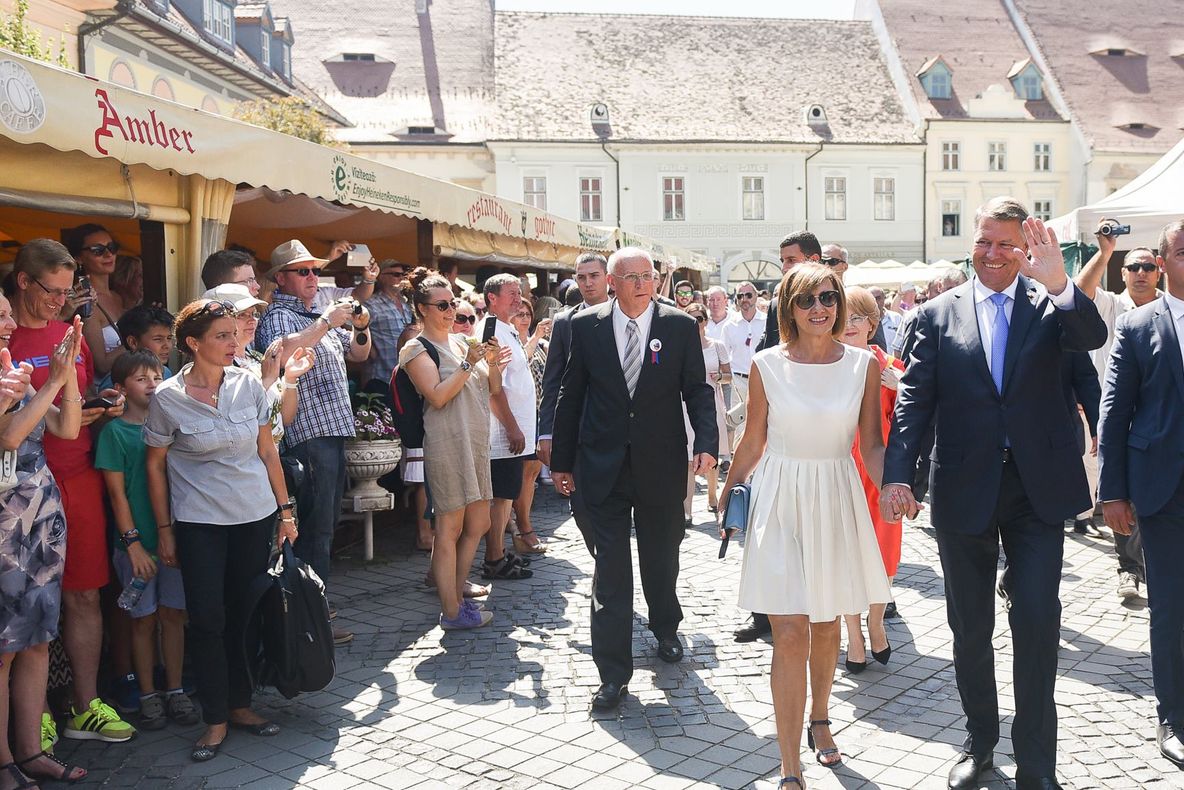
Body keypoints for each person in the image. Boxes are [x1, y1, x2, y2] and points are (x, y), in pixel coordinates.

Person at [882, 199, 1106, 790]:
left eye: (1007, 244)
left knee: (1036, 619)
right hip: (963, 487)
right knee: (970, 626)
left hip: (1037, 490)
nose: (993, 254)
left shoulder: (1051, 304)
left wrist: (1059, 281)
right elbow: (913, 402)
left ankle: (1037, 763)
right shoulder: (934, 314)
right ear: (972, 243)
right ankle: (979, 741)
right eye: (985, 241)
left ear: (1025, 249)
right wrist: (898, 474)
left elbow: (1093, 334)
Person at [720, 264, 891, 787]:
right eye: (807, 300)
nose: (820, 307)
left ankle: (821, 716)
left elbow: (871, 443)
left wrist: (893, 489)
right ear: (788, 309)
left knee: (824, 625)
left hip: (836, 493)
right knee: (788, 630)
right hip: (779, 496)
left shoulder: (862, 364)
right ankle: (788, 763)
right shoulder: (766, 363)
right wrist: (727, 492)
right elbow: (752, 440)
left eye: (828, 297)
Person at [551, 247, 717, 710]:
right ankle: (612, 673)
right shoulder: (586, 326)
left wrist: (707, 441)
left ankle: (665, 627)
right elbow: (571, 395)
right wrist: (561, 461)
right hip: (601, 465)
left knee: (660, 558)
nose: (642, 284)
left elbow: (697, 391)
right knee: (610, 571)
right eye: (631, 277)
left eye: (649, 276)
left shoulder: (679, 326)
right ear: (611, 282)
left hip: (660, 464)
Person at [144, 299, 298, 762]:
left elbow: (268, 452)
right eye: (222, 336)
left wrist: (285, 512)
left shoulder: (249, 384)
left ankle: (241, 704)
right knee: (208, 619)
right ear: (193, 343)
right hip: (199, 524)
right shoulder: (167, 397)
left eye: (236, 334)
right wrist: (165, 529)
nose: (234, 343)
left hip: (253, 516)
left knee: (245, 613)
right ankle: (214, 717)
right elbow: (154, 466)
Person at [7, 240, 134, 745]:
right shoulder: (5, 334)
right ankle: (30, 715)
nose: (60, 300)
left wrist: (102, 406)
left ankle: (86, 706)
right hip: (17, 488)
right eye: (51, 290)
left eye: (68, 290)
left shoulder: (71, 333)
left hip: (77, 474)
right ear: (22, 281)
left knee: (83, 594)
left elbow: (69, 406)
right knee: (19, 610)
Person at [1097, 218, 1184, 771]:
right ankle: (1173, 715)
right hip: (1164, 489)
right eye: (1183, 251)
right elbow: (1116, 410)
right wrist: (1113, 492)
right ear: (1162, 260)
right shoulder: (1137, 324)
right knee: (1171, 607)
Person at [254, 240, 371, 648]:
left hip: (331, 431)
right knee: (314, 530)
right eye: (302, 272)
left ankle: (314, 612)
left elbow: (359, 355)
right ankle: (311, 619)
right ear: (281, 278)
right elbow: (282, 355)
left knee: (324, 526)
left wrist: (359, 326)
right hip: (306, 435)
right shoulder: (278, 315)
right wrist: (325, 321)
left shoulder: (312, 313)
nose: (310, 278)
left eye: (313, 271)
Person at [0, 304, 86, 786]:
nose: (11, 324)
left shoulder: (14, 371)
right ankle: (3, 760)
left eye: (9, 314)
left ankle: (31, 752)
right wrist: (52, 379)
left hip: (40, 517)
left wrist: (67, 373)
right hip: (3, 525)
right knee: (3, 647)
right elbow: (8, 437)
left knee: (36, 637)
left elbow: (66, 428)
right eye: (0, 316)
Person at [96, 351, 200, 732]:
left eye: (157, 376)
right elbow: (117, 496)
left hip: (174, 539)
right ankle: (146, 693)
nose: (152, 384)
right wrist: (134, 545)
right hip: (136, 547)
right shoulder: (114, 433)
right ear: (120, 388)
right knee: (142, 621)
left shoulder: (172, 425)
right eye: (141, 379)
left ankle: (175, 689)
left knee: (174, 615)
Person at [399, 268, 502, 630]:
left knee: (479, 522)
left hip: (474, 443)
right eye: (442, 305)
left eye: (453, 303)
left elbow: (491, 388)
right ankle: (452, 611)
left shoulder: (461, 342)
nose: (450, 310)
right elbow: (438, 397)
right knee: (449, 528)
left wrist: (492, 364)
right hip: (446, 444)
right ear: (422, 308)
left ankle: (457, 598)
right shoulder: (415, 348)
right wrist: (469, 364)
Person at [1074, 222, 1162, 598]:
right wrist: (1106, 252)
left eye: (1147, 267)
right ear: (1123, 274)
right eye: (1133, 267)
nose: (1141, 274)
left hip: (1157, 417)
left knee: (1154, 494)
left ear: (1158, 270)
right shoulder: (1111, 305)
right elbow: (1080, 291)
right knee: (1119, 494)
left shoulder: (1170, 309)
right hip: (1116, 415)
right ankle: (1128, 568)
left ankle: (1153, 566)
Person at [838, 286, 905, 673]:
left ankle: (876, 621)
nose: (848, 325)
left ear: (872, 324)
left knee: (884, 553)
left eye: (857, 318)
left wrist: (900, 387)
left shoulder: (893, 367)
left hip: (881, 475)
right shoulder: (830, 364)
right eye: (843, 318)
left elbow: (912, 423)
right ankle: (854, 634)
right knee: (844, 552)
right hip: (839, 471)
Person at [537, 252, 610, 555]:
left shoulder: (629, 314)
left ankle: (610, 574)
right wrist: (546, 433)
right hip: (578, 430)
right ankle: (603, 562)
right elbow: (552, 381)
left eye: (594, 276)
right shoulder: (564, 323)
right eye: (581, 277)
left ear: (608, 277)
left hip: (619, 430)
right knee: (581, 507)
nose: (588, 282)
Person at [509, 295, 551, 554]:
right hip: (517, 415)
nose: (524, 318)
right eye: (519, 314)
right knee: (521, 474)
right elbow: (519, 365)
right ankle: (522, 527)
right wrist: (535, 337)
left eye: (527, 314)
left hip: (538, 413)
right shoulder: (512, 342)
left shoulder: (542, 344)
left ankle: (523, 523)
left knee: (532, 473)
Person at [685, 304, 730, 512]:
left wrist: (719, 377)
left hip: (712, 402)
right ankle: (687, 508)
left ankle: (712, 498)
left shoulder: (717, 345)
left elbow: (729, 376)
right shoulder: (681, 346)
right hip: (686, 405)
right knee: (688, 457)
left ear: (706, 321)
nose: (696, 323)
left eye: (700, 318)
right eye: (691, 319)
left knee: (711, 454)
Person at [756, 230, 822, 353]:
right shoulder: (776, 306)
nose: (784, 268)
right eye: (783, 261)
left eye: (791, 260)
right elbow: (766, 352)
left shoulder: (838, 301)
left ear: (813, 260)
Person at [96, 305, 175, 391]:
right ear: (133, 342)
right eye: (158, 339)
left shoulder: (166, 372)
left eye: (169, 338)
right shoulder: (113, 383)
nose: (167, 345)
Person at [363, 260, 415, 388]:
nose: (401, 278)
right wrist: (369, 349)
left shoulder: (406, 302)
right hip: (381, 376)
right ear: (381, 277)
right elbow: (348, 325)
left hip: (405, 376)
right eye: (396, 274)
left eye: (403, 275)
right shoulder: (371, 303)